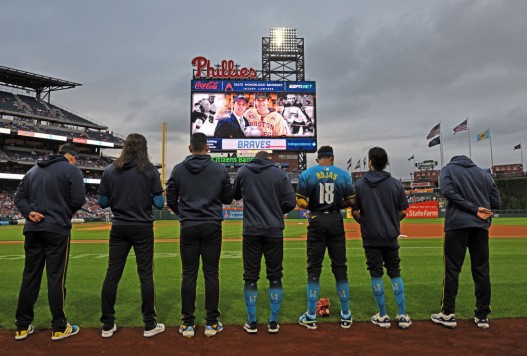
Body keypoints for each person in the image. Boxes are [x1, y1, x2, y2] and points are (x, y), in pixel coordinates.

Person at [14, 143, 86, 341]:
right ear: (71, 157)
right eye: (76, 159)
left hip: (32, 229)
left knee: (30, 277)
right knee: (56, 278)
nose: (76, 162)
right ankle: (59, 326)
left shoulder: (32, 171)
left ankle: (21, 326)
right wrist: (63, 213)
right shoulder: (71, 170)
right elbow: (79, 199)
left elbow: (18, 197)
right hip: (57, 229)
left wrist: (29, 213)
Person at [166, 132, 234, 338]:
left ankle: (187, 323)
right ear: (207, 148)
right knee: (211, 273)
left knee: (189, 274)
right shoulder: (219, 169)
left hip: (189, 226)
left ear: (189, 148)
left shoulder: (178, 169)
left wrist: (184, 214)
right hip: (211, 225)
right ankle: (211, 323)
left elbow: (170, 199)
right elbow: (228, 199)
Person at [98, 133, 165, 338]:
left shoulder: (110, 170)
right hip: (142, 227)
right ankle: (149, 324)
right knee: (145, 275)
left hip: (119, 227)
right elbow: (160, 204)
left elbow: (102, 202)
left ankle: (107, 325)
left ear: (125, 147)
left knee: (112, 274)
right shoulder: (150, 171)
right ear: (144, 149)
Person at [431, 155, 500, 329]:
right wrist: (480, 209)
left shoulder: (448, 169)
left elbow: (447, 191)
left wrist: (472, 208)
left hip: (456, 226)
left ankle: (448, 314)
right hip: (480, 227)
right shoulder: (484, 174)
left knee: (452, 269)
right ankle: (482, 315)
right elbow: (496, 202)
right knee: (482, 270)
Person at [233, 151, 296, 334]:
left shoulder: (243, 171)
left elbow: (235, 196)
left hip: (251, 230)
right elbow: (291, 203)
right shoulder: (280, 173)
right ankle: (273, 322)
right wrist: (277, 210)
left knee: (250, 276)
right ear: (268, 158)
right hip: (274, 231)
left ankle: (252, 322)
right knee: (275, 275)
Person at [295, 145, 355, 330]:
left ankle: (311, 315)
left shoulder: (308, 174)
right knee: (340, 267)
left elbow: (300, 201)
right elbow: (352, 200)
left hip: (317, 219)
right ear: (332, 158)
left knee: (314, 268)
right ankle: (345, 314)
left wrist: (313, 205)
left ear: (318, 158)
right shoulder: (343, 175)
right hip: (336, 219)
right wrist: (338, 203)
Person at [351, 147, 411, 329]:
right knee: (395, 272)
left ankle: (383, 315)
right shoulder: (395, 184)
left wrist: (365, 222)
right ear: (385, 163)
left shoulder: (360, 185)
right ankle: (402, 315)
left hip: (371, 237)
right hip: (390, 236)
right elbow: (403, 211)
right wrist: (392, 221)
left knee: (376, 273)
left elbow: (354, 212)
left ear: (370, 162)